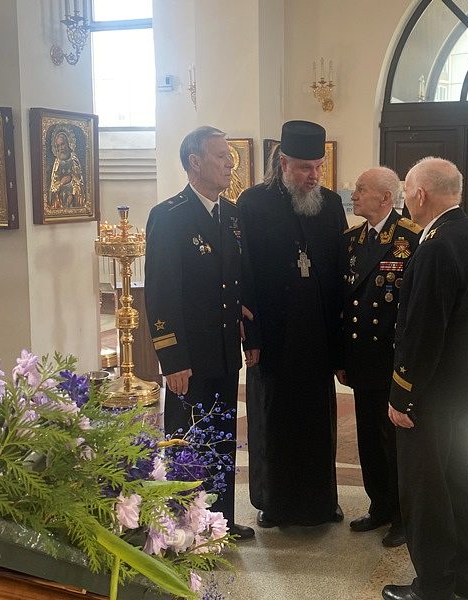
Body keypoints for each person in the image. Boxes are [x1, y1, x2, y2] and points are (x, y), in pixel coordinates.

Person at [382, 157, 468, 600]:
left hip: (429, 394)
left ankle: (432, 586)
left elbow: (422, 331)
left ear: (421, 193)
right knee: (457, 484)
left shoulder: (435, 246)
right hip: (461, 388)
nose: (405, 201)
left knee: (426, 492)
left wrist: (402, 394)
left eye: (406, 192)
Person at [144, 125, 261, 540]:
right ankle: (184, 530)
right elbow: (161, 294)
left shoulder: (231, 214)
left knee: (221, 438)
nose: (230, 164)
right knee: (188, 442)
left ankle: (218, 522)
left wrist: (252, 337)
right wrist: (172, 359)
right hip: (190, 358)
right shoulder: (169, 216)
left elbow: (240, 282)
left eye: (230, 157)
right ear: (195, 162)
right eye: (221, 156)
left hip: (225, 351)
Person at [237, 120, 347, 527]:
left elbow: (342, 273)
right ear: (283, 163)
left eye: (318, 167)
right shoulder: (252, 203)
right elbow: (244, 274)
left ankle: (322, 502)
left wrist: (340, 343)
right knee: (273, 416)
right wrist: (252, 337)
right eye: (304, 168)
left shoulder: (330, 204)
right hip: (274, 334)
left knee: (318, 418)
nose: (313, 176)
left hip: (317, 333)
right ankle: (273, 502)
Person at [336, 167, 421, 548]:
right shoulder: (352, 240)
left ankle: (403, 516)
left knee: (394, 442)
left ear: (386, 198)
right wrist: (341, 357)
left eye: (361, 189)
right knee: (369, 437)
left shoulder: (411, 238)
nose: (353, 195)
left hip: (391, 360)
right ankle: (380, 505)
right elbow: (343, 304)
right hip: (361, 357)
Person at [48, 130, 85, 209]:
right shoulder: (57, 162)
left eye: (62, 144)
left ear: (68, 143)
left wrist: (73, 194)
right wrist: (61, 183)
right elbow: (53, 185)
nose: (61, 148)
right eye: (58, 146)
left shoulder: (73, 159)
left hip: (72, 197)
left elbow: (78, 182)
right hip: (60, 198)